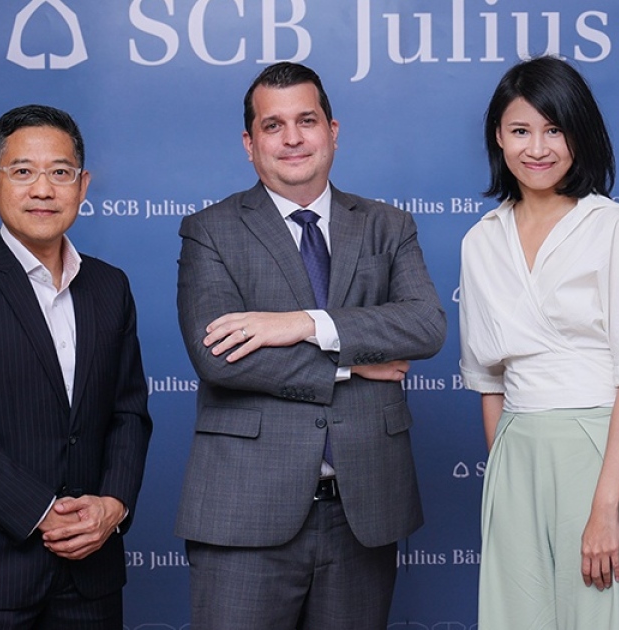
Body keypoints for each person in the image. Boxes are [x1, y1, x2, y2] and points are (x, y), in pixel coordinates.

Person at [174, 62, 446, 630]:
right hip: (245, 513)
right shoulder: (210, 230)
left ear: (333, 130)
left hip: (362, 512)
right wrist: (353, 366)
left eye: (307, 120)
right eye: (273, 126)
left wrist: (304, 323)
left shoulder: (388, 225)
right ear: (249, 143)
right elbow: (218, 356)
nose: (293, 138)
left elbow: (425, 325)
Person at [0, 104, 153, 629]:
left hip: (91, 573)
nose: (43, 189)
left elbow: (128, 412)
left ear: (83, 186)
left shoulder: (110, 287)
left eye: (60, 172)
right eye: (23, 171)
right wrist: (44, 512)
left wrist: (113, 505)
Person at [459, 56, 619, 630]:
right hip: (515, 454)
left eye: (554, 129)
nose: (537, 148)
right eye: (520, 130)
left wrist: (605, 507)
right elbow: (488, 378)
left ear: (579, 134)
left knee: (597, 615)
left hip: (600, 451)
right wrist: (503, 475)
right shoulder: (481, 241)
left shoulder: (612, 227)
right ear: (498, 137)